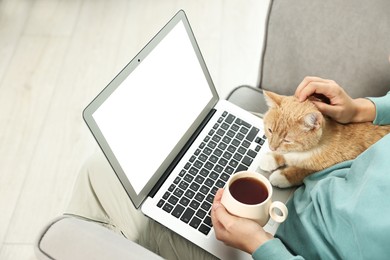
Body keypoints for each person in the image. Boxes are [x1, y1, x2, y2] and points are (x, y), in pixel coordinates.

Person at [66, 77, 390, 259]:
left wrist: (258, 245)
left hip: (280, 247)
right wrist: (366, 107)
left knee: (96, 189)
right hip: (309, 190)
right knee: (103, 166)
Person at [211, 77, 390, 259]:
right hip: (309, 193)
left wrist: (258, 244)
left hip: (284, 246)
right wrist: (360, 109)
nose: (272, 145)